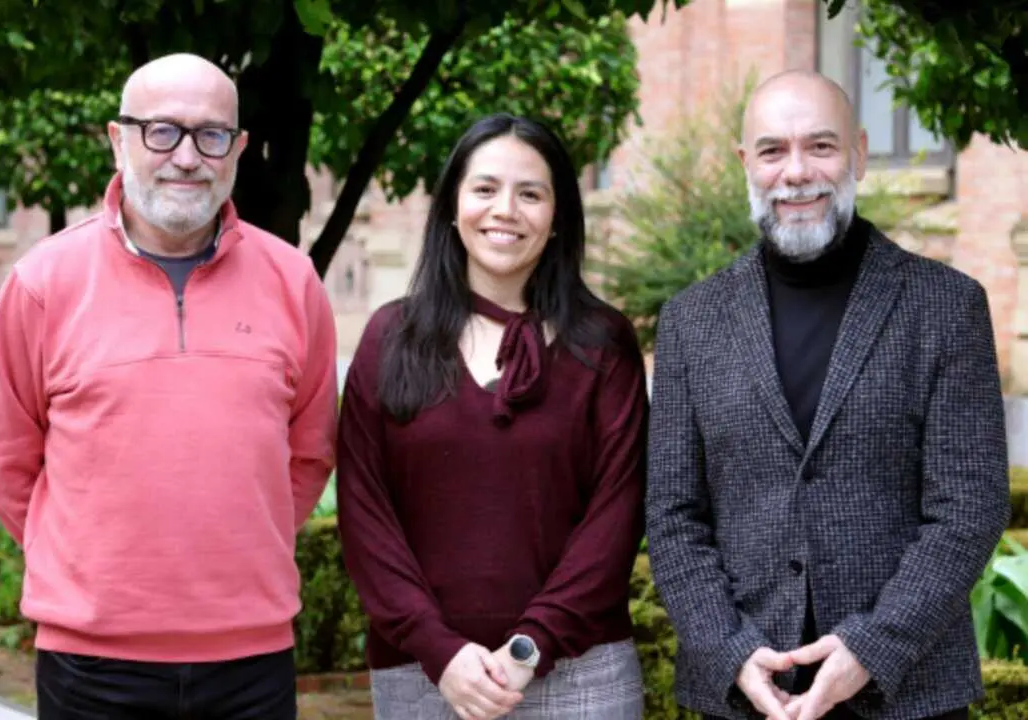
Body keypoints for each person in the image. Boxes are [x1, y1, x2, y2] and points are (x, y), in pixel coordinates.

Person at [0, 52, 338, 719]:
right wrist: (92, 561)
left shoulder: (294, 283)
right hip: (92, 666)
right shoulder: (41, 284)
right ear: (119, 140)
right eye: (161, 131)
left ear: (239, 149)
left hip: (250, 662)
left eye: (211, 134)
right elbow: (4, 461)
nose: (187, 157)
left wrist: (232, 543)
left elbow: (309, 453)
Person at [644, 68, 1010, 720]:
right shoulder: (689, 321)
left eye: (820, 145)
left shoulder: (946, 307)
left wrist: (870, 648)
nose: (794, 172)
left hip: (908, 695)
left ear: (859, 154)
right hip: (743, 698)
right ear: (744, 164)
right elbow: (672, 518)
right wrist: (729, 652)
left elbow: (968, 510)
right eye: (771, 150)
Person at [336, 113, 648, 720]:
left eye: (530, 193)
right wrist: (441, 653)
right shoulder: (389, 339)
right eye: (485, 189)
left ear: (557, 219)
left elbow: (618, 513)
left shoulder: (603, 344)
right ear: (453, 206)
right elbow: (364, 516)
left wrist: (530, 648)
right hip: (423, 677)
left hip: (583, 679)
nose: (505, 210)